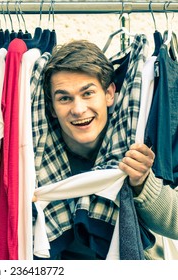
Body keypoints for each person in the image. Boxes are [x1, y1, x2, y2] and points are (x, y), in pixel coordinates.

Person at [36, 39, 178, 260]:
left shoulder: (140, 138)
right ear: (52, 108)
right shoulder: (36, 158)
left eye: (87, 93)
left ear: (110, 94)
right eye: (64, 98)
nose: (78, 109)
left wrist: (143, 184)